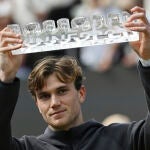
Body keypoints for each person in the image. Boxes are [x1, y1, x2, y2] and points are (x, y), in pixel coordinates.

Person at [0, 6, 150, 150]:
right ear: (37, 104)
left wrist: (147, 60)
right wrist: (6, 78)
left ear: (81, 93)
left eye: (62, 91)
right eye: (44, 96)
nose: (54, 103)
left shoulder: (125, 138)